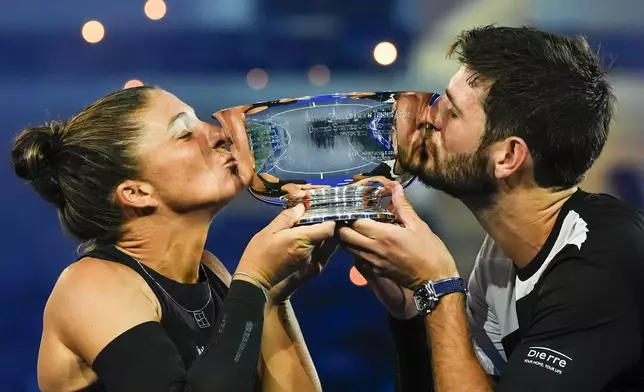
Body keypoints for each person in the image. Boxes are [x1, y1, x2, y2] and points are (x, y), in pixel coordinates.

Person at [337, 25, 644, 391]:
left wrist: (438, 287)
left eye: (450, 112)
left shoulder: (604, 261)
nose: (427, 118)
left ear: (509, 156)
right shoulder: (501, 256)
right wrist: (412, 309)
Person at [11, 86, 337, 392]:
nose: (219, 133)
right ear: (137, 193)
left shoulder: (211, 272)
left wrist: (272, 297)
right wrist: (253, 281)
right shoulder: (90, 286)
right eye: (184, 133)